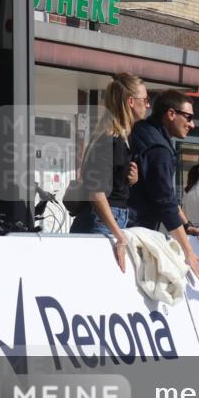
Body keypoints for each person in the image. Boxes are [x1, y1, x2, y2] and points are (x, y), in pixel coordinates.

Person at [128, 90, 199, 281]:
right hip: (132, 229)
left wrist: (187, 226)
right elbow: (164, 201)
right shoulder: (159, 150)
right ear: (171, 114)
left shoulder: (141, 129)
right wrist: (188, 251)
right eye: (188, 117)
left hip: (121, 225)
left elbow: (167, 196)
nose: (192, 124)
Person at [69, 73, 146, 272]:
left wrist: (128, 181)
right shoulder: (110, 139)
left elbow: (106, 184)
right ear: (131, 102)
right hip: (103, 221)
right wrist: (119, 236)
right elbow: (96, 192)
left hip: (108, 218)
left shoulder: (116, 136)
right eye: (145, 100)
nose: (147, 105)